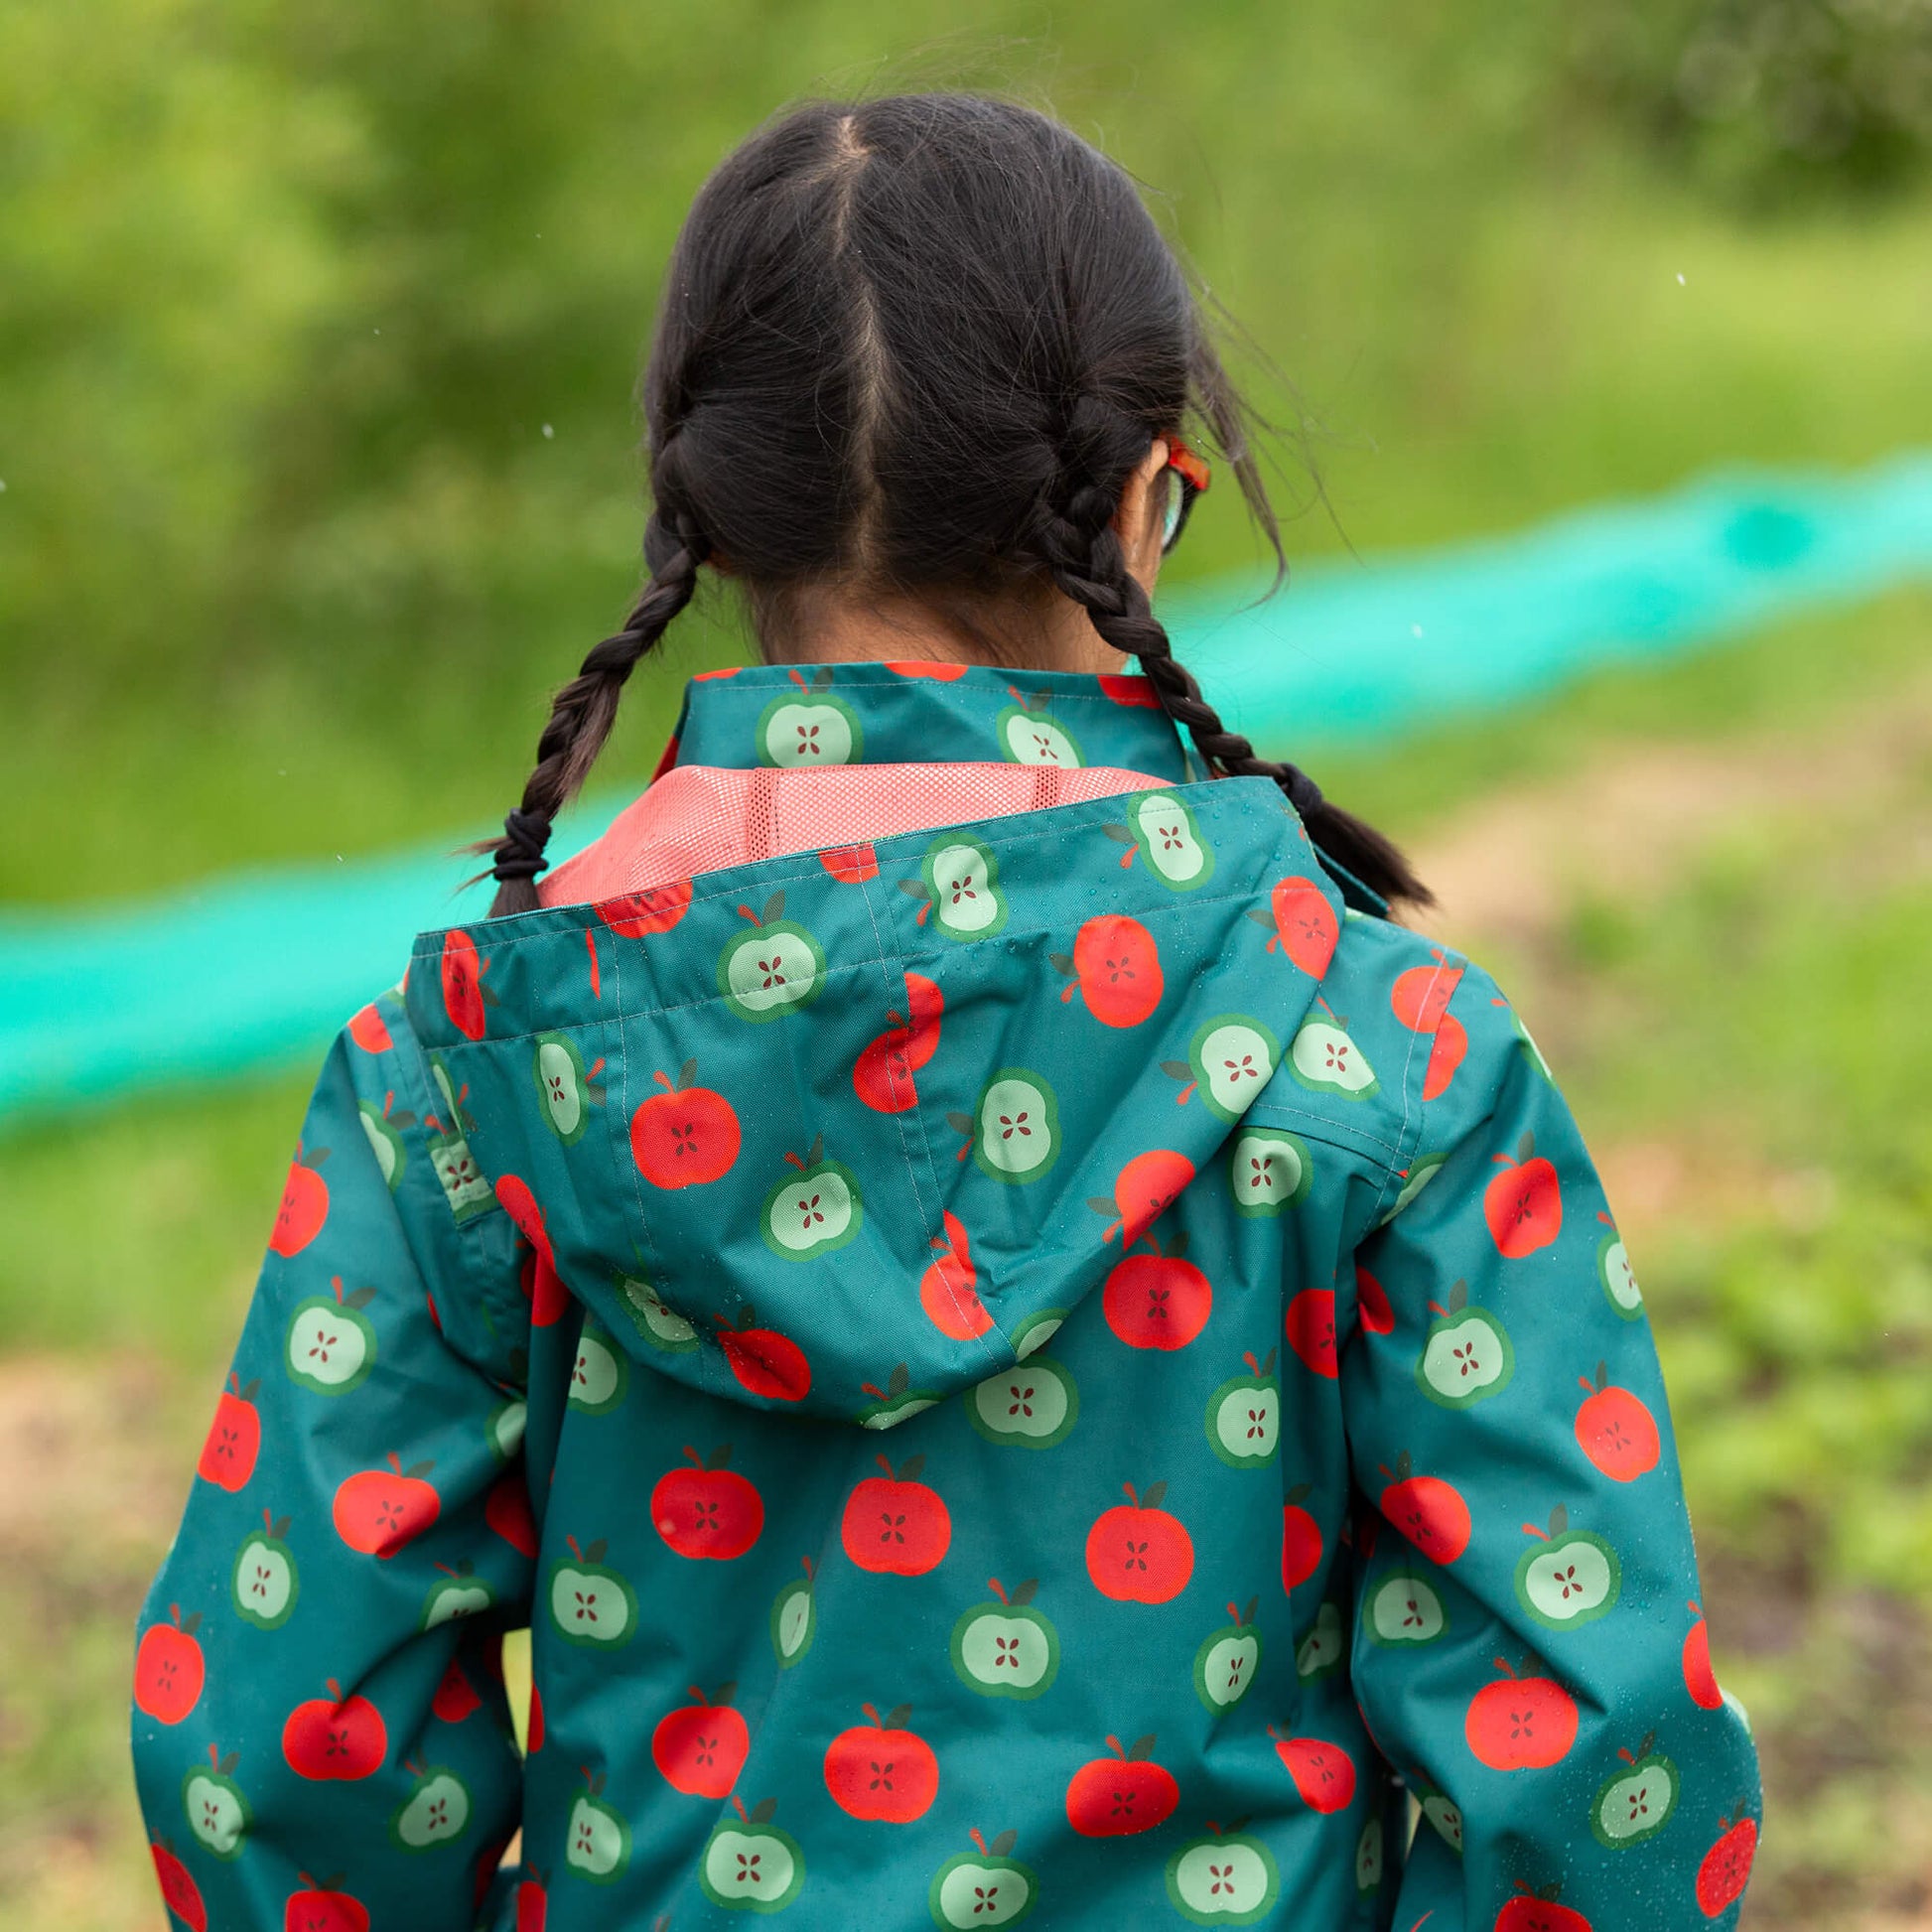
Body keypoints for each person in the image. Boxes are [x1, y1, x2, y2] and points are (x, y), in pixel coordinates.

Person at [130, 93, 1760, 1931]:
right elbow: (1592, 1745)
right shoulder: (1382, 1053)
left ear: (706, 513)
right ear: (1154, 490)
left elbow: (272, 1752)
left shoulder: (469, 1073)